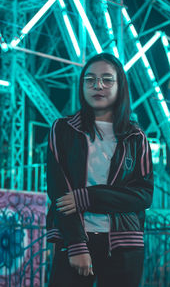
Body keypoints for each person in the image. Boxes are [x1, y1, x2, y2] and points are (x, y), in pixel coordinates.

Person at [46, 52, 154, 287]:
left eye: (107, 79)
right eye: (90, 79)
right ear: (82, 84)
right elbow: (58, 191)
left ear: (120, 86)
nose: (98, 85)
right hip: (74, 239)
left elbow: (143, 195)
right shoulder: (62, 130)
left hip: (124, 243)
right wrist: (76, 244)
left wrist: (88, 197)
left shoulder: (136, 138)